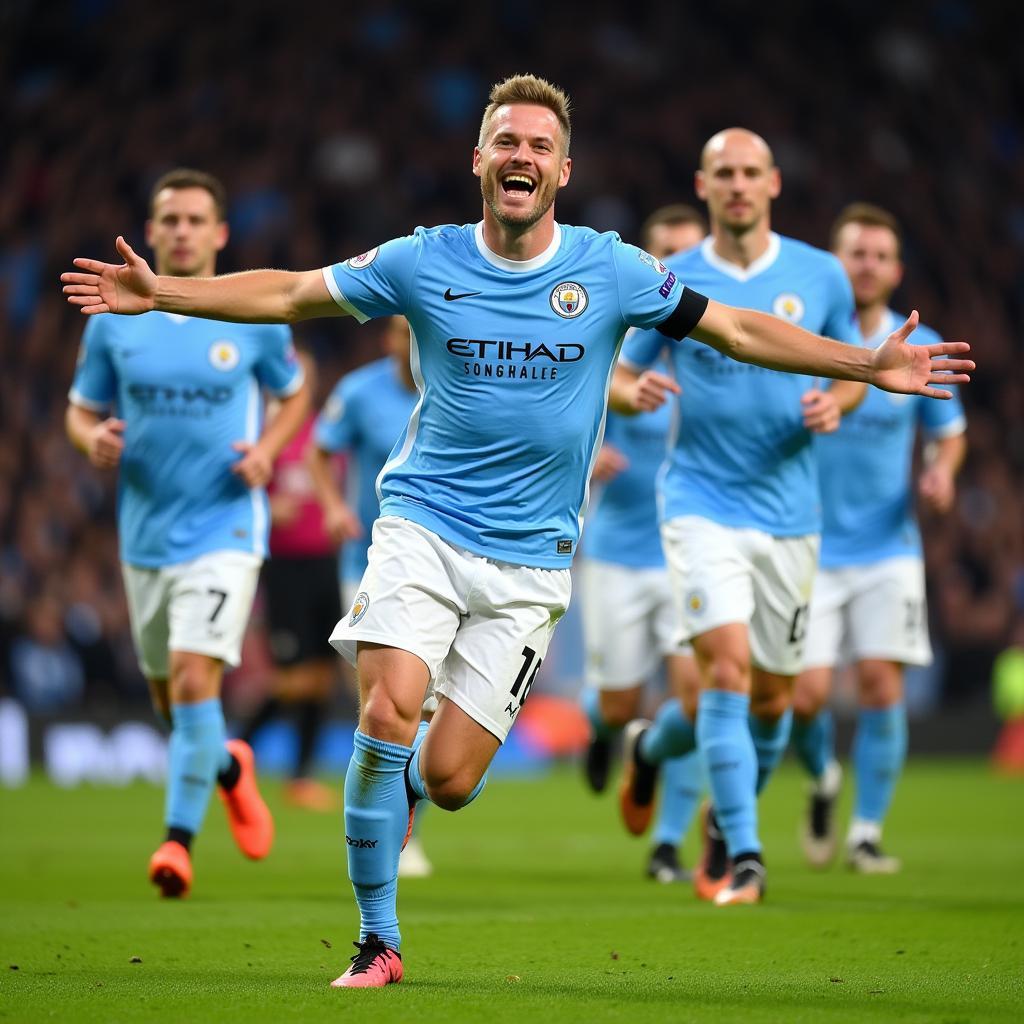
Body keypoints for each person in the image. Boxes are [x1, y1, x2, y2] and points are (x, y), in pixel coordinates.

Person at [63, 76, 971, 986]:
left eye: (539, 146)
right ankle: (379, 940)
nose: (521, 157)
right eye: (506, 142)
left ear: (562, 170)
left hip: (532, 560)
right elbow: (297, 292)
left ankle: (403, 794)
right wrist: (169, 294)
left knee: (451, 778)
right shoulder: (423, 261)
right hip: (422, 523)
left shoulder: (610, 269)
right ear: (480, 160)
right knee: (385, 709)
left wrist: (866, 362)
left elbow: (733, 329)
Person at [613, 128, 872, 907]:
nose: (737, 185)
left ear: (774, 183)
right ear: (702, 185)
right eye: (723, 173)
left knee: (773, 700)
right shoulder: (671, 279)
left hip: (791, 511)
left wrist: (841, 398)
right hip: (699, 500)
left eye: (750, 172)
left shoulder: (820, 275)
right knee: (724, 671)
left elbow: (853, 367)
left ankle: (654, 753)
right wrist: (635, 394)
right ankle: (743, 852)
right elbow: (620, 378)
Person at [65, 169, 309, 898]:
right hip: (144, 535)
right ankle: (230, 765)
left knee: (198, 677)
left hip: (225, 526)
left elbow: (295, 396)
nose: (181, 231)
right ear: (151, 229)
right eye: (169, 218)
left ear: (220, 234)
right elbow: (79, 413)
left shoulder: (249, 315)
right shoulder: (113, 320)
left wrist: (268, 450)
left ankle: (176, 845)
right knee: (177, 707)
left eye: (196, 220)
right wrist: (89, 442)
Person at [791, 203, 966, 873]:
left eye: (878, 255)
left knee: (880, 687)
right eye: (855, 253)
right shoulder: (806, 339)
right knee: (804, 697)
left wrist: (941, 477)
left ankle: (865, 832)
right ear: (835, 263)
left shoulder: (923, 344)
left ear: (895, 269)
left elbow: (950, 439)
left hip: (888, 547)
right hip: (808, 545)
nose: (866, 265)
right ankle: (823, 780)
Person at [579, 203, 706, 885]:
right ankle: (605, 730)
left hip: (692, 549)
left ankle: (666, 842)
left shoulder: (714, 344)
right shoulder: (615, 337)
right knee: (621, 700)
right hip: (620, 551)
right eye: (668, 256)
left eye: (693, 254)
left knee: (698, 699)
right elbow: (569, 395)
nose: (680, 268)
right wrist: (588, 450)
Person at [306, 315, 431, 876]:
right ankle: (376, 824)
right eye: (399, 331)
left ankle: (406, 831)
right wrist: (333, 505)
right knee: (381, 700)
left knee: (424, 702)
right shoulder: (358, 391)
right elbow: (318, 449)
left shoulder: (455, 385)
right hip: (367, 562)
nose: (407, 341)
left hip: (438, 566)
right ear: (387, 338)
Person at [239, 348, 342, 813]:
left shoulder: (326, 429)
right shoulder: (259, 432)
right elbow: (232, 492)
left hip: (325, 562)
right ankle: (235, 750)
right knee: (293, 678)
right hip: (283, 565)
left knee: (321, 676)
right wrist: (265, 509)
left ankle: (300, 776)